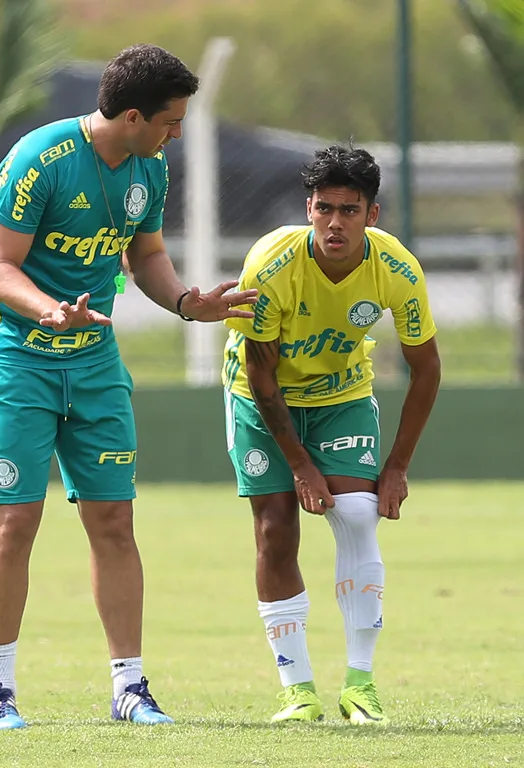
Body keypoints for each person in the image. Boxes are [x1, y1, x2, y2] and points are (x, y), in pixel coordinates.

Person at [0, 43, 257, 731]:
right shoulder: (38, 160)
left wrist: (189, 304)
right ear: (133, 115)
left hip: (97, 365)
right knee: (16, 521)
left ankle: (130, 688)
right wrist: (46, 308)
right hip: (21, 360)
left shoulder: (149, 167)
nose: (177, 134)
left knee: (114, 519)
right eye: (170, 121)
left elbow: (147, 253)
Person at [222, 144, 441, 725]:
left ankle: (360, 686)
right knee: (275, 530)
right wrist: (299, 464)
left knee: (359, 513)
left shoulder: (396, 269)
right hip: (260, 400)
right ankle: (298, 691)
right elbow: (260, 375)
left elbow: (427, 369)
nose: (334, 223)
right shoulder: (270, 264)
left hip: (341, 395)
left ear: (372, 215)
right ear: (309, 208)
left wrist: (396, 467)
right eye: (324, 209)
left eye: (349, 210)